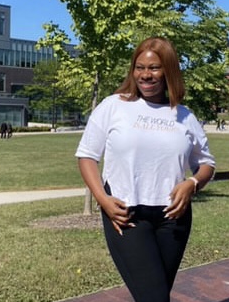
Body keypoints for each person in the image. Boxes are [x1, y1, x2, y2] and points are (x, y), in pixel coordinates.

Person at [75, 37, 215, 302]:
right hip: (126, 216)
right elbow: (86, 156)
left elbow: (207, 163)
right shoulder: (113, 106)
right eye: (140, 67)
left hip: (173, 218)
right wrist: (102, 200)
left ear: (169, 71)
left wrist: (192, 184)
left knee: (156, 294)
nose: (145, 75)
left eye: (154, 68)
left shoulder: (184, 115)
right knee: (154, 298)